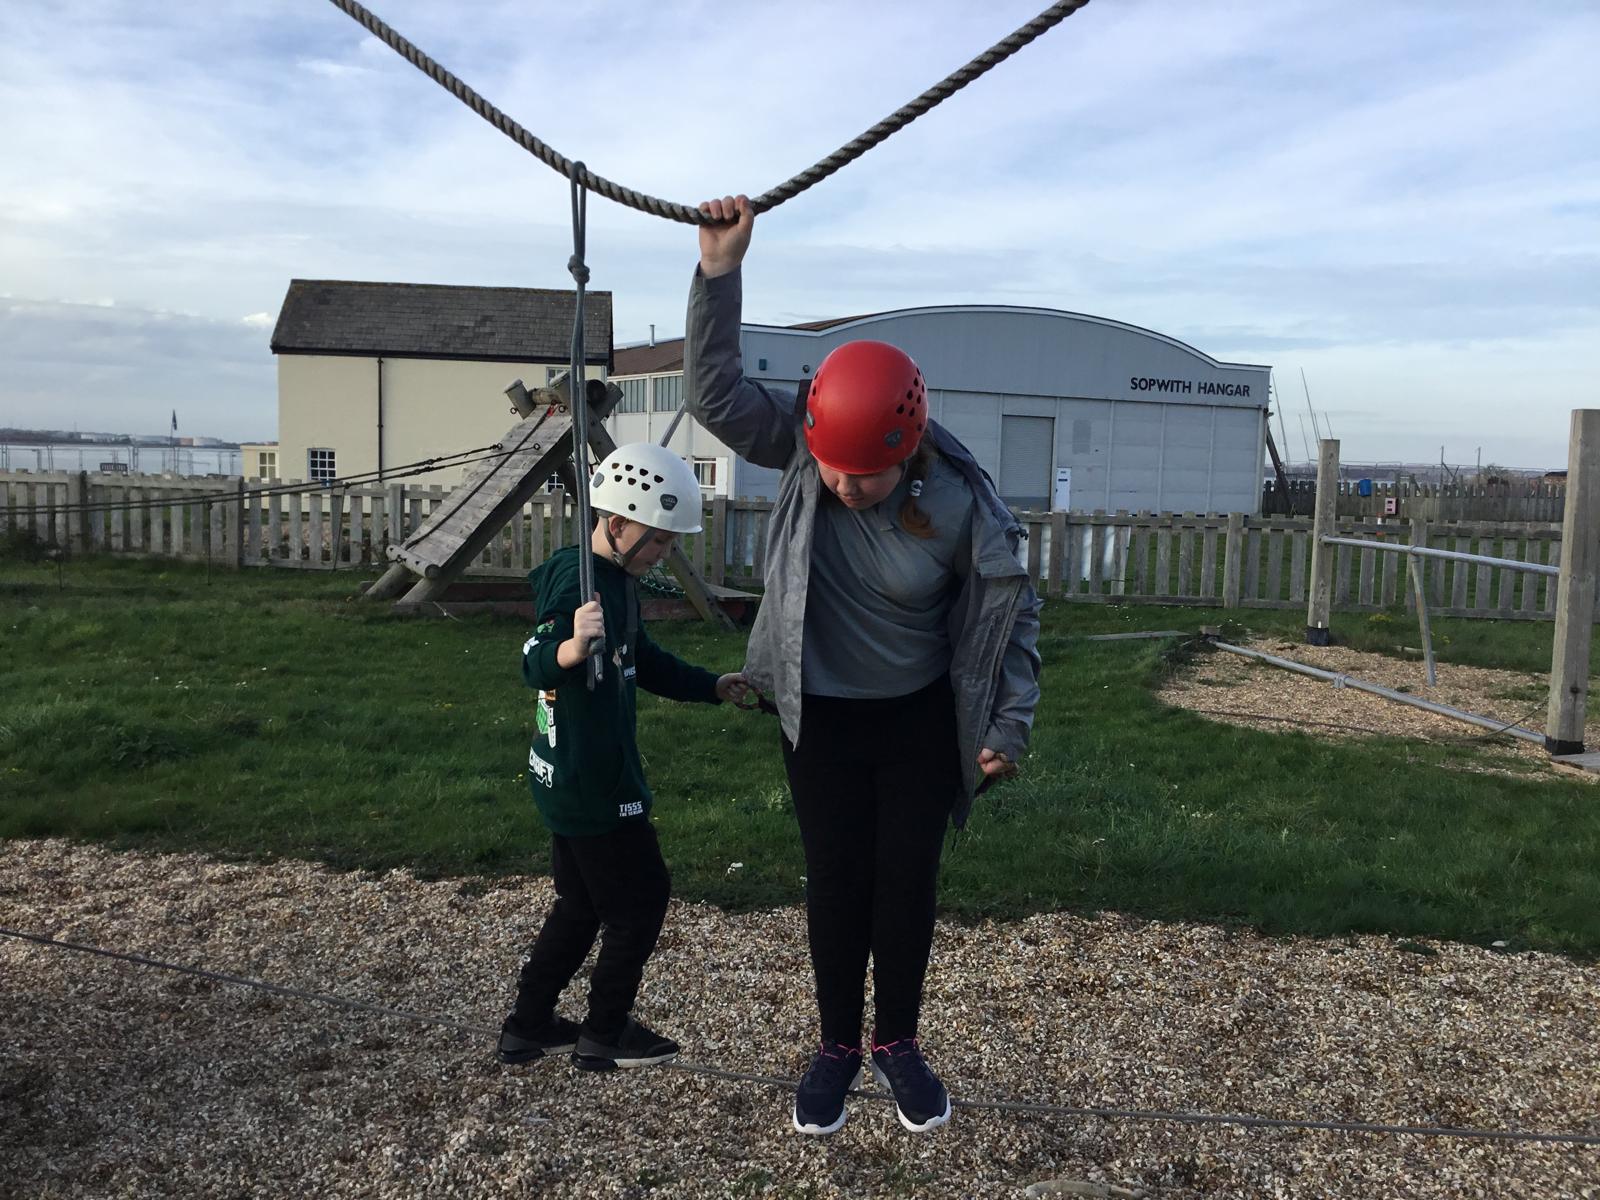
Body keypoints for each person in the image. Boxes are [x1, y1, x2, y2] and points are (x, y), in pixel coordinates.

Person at [684, 195, 1042, 1134]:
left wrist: (1008, 724)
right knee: (836, 878)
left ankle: (899, 1043)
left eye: (865, 475)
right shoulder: (806, 449)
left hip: (917, 717)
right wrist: (720, 271)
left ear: (907, 446)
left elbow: (1011, 611)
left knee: (905, 883)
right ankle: (837, 1045)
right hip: (821, 716)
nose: (842, 485)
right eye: (829, 467)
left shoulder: (962, 502)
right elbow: (715, 398)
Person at [498, 442, 753, 1072]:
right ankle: (605, 1032)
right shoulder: (578, 583)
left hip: (570, 775)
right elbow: (535, 659)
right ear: (617, 524)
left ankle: (528, 1026)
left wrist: (711, 685)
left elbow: (646, 660)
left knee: (581, 904)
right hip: (595, 782)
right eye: (659, 539)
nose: (665, 552)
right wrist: (569, 649)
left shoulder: (616, 583)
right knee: (640, 901)